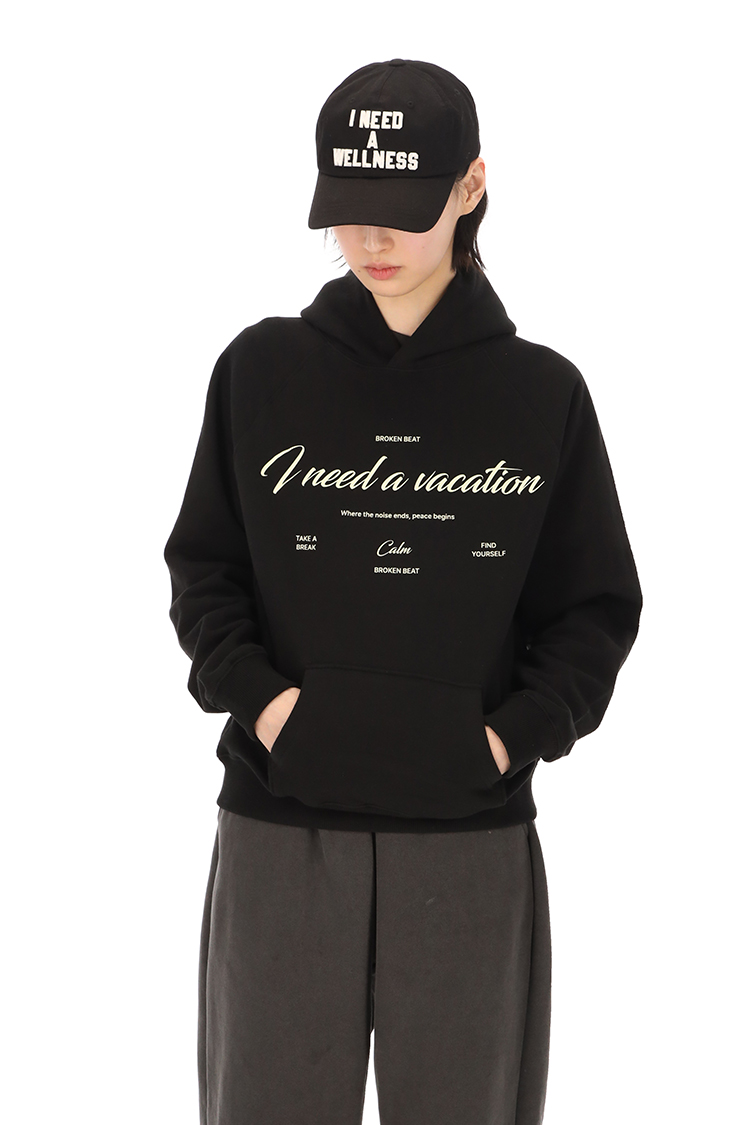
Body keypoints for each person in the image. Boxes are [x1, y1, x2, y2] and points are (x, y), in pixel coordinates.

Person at [163, 58, 643, 1125]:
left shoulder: (543, 394)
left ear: (471, 186)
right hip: (282, 828)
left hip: (470, 836)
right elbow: (206, 572)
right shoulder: (260, 370)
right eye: (347, 208)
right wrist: (271, 709)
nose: (370, 238)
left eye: (404, 207)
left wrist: (508, 740)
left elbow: (594, 608)